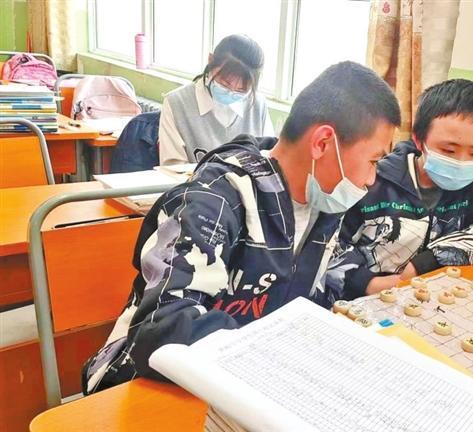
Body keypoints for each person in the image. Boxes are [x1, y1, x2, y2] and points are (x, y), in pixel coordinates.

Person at [83, 61, 400, 393]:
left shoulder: (324, 202)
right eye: (374, 160)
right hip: (144, 385)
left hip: (243, 383)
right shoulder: (214, 200)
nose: (371, 179)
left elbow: (316, 288)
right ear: (322, 143)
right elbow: (162, 328)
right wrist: (273, 354)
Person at [326, 78, 473, 299]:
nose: (461, 162)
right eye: (449, 150)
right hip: (363, 300)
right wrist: (370, 283)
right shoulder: (373, 180)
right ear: (419, 140)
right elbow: (330, 242)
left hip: (431, 298)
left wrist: (424, 263)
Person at [159, 34, 274, 165]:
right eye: (224, 84)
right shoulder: (176, 103)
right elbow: (172, 168)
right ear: (210, 60)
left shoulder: (257, 105)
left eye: (241, 90)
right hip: (196, 179)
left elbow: (269, 159)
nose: (231, 92)